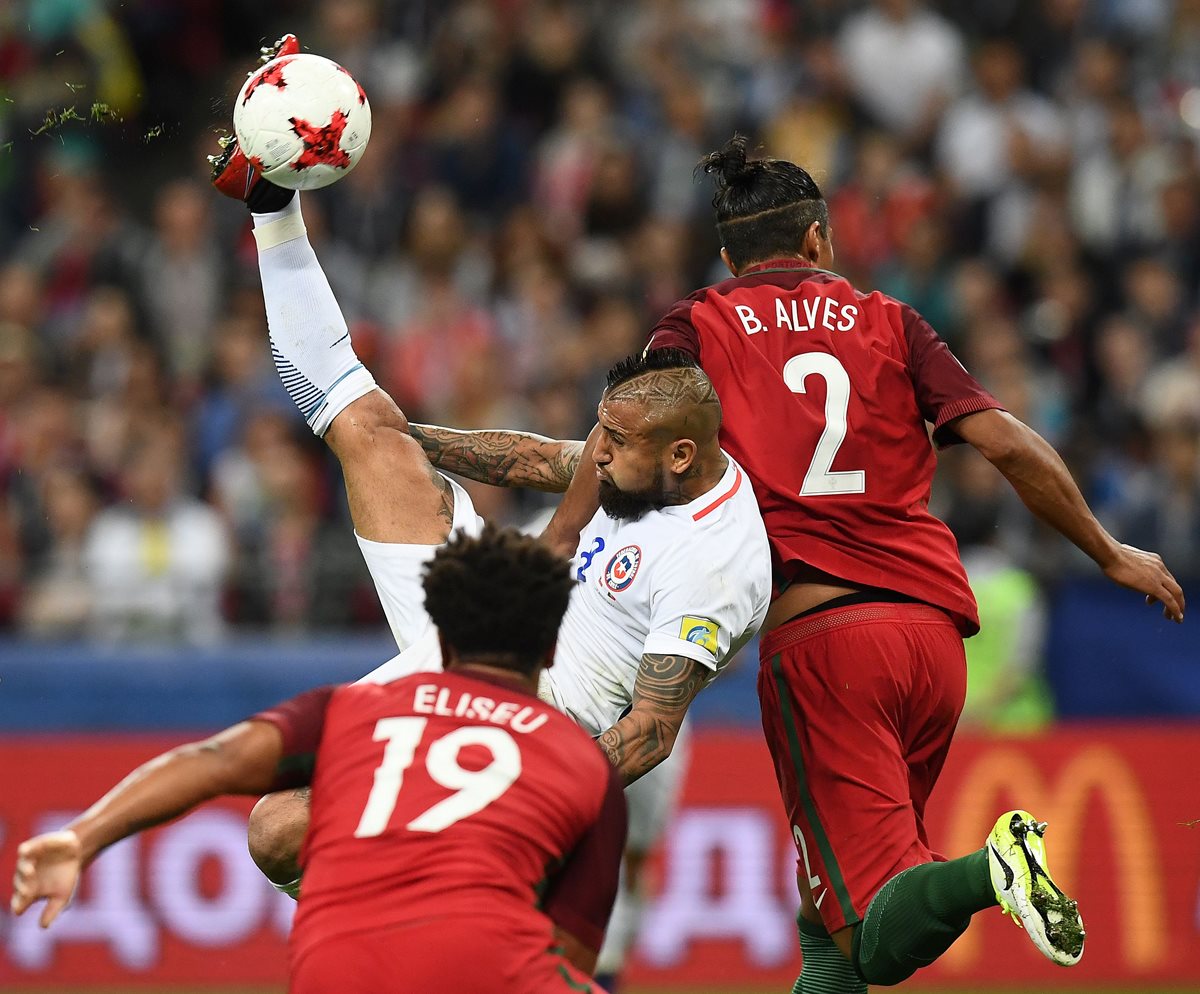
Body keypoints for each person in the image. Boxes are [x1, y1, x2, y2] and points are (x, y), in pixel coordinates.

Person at [208, 40, 771, 919]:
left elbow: (652, 730)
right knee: (362, 426)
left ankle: (422, 914)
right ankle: (271, 206)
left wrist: (527, 788)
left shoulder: (719, 562)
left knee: (277, 829)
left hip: (535, 708)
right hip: (491, 605)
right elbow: (537, 457)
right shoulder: (636, 456)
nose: (595, 452)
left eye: (613, 444)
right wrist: (401, 432)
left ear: (682, 459)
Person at [621, 135, 1183, 992]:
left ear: (730, 259)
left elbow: (633, 445)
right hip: (932, 641)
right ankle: (963, 880)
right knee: (830, 923)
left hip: (824, 644)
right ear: (820, 242)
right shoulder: (890, 319)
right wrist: (1109, 551)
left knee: (871, 937)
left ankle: (993, 868)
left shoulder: (697, 322)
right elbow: (1006, 442)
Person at [11, 525, 626, 994]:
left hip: (337, 968)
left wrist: (82, 836)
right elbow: (567, 959)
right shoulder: (585, 766)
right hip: (487, 964)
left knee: (277, 821)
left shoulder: (352, 711)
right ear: (550, 649)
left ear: (444, 637)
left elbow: (215, 759)